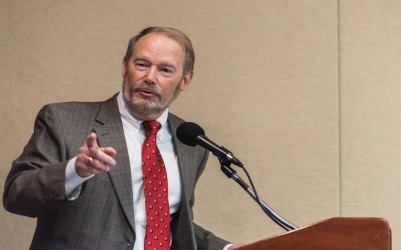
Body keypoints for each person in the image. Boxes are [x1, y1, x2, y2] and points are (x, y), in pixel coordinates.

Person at [3, 27, 233, 250]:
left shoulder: (191, 143)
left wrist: (227, 248)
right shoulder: (62, 120)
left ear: (185, 80)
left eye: (165, 70)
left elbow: (165, 223)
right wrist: (74, 171)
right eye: (142, 64)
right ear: (125, 67)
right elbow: (16, 197)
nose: (150, 77)